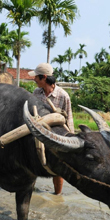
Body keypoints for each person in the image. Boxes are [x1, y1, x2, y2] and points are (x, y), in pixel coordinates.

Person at [29, 63, 74, 195]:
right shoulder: (36, 93)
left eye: (36, 77)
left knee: (58, 169)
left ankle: (57, 196)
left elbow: (69, 118)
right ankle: (29, 190)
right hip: (39, 133)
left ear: (44, 78)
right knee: (33, 164)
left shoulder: (63, 95)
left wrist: (69, 141)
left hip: (56, 136)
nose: (34, 79)